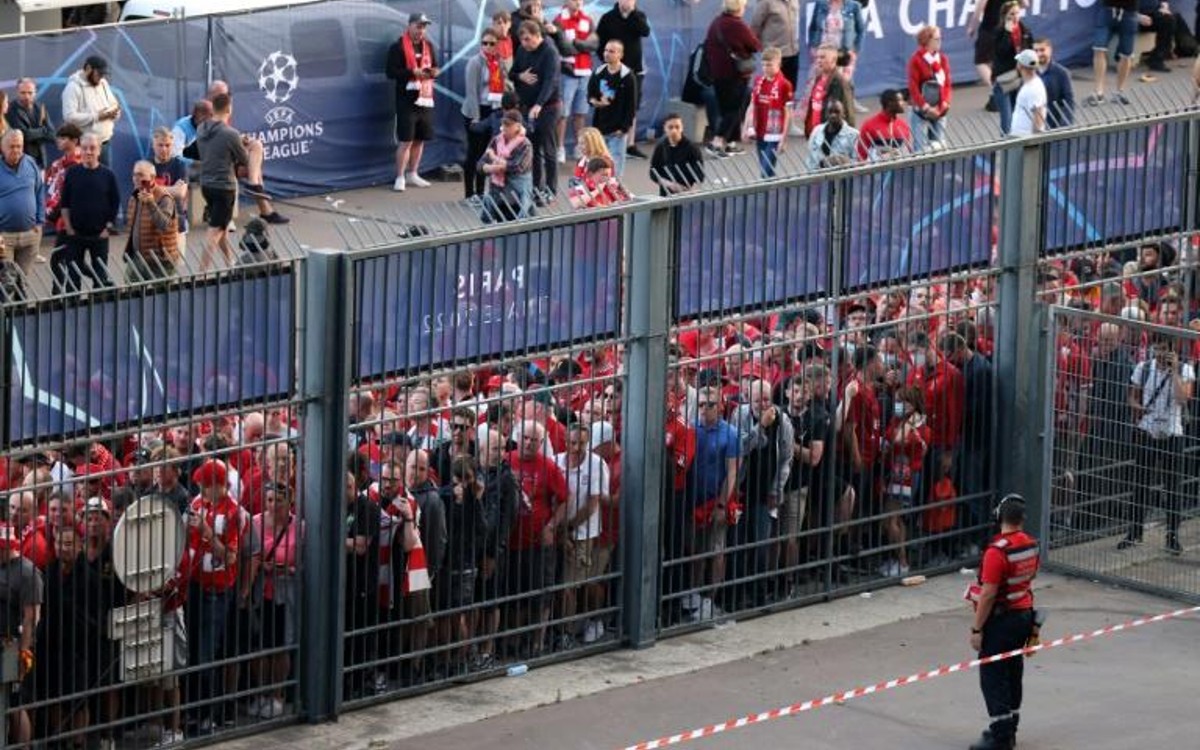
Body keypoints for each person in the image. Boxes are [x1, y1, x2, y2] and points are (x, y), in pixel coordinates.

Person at [966, 494, 1040, 750]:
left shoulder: (997, 552)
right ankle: (1010, 729)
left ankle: (1000, 738)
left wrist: (976, 628)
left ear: (999, 517)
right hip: (1024, 615)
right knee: (1013, 671)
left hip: (1001, 621)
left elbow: (987, 594)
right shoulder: (1031, 545)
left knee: (993, 676)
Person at [1121, 334, 1195, 555]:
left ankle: (1172, 536)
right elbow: (1132, 397)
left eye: (1165, 349)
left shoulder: (1185, 370)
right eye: (1158, 349)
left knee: (1172, 487)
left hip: (1173, 433)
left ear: (1173, 350)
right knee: (1140, 484)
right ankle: (1135, 532)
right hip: (1147, 431)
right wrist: (1138, 407)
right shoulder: (1143, 368)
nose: (1161, 354)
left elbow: (1184, 398)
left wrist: (1173, 373)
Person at [248, 482, 300, 719]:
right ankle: (261, 693)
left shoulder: (299, 527)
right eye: (268, 500)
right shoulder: (255, 523)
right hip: (260, 592)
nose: (272, 505)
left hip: (285, 593)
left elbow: (305, 562)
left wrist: (289, 569)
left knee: (280, 646)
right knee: (259, 646)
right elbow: (248, 555)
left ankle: (277, 694)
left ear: (289, 502)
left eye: (277, 500)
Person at [57, 132, 119, 292]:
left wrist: (108, 227)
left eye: (92, 148)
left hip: (99, 236)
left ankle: (100, 311)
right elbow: (65, 204)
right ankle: (72, 311)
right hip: (75, 236)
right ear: (80, 150)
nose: (88, 152)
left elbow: (115, 203)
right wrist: (69, 229)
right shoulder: (72, 173)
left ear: (99, 150)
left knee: (100, 281)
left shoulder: (108, 175)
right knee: (72, 282)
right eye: (84, 148)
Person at [193, 93, 248, 271]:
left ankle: (229, 263)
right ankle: (201, 273)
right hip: (224, 187)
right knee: (214, 231)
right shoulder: (231, 133)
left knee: (221, 226)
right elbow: (244, 159)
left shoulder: (201, 129)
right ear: (229, 109)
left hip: (206, 185)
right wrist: (244, 144)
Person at [510, 21, 563, 203]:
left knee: (549, 150)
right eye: (522, 40)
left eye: (527, 39)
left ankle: (551, 190)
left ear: (537, 34)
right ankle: (536, 189)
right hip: (527, 107)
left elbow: (551, 81)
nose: (524, 43)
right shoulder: (522, 50)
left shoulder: (550, 52)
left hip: (548, 108)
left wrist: (539, 104)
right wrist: (520, 76)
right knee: (533, 150)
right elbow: (512, 72)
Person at [386, 13, 440, 192]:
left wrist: (433, 72)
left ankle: (413, 173)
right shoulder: (398, 47)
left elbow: (436, 66)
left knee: (420, 139)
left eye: (424, 27)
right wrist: (412, 73)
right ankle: (400, 176)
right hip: (406, 100)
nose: (421, 30)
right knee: (406, 140)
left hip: (424, 98)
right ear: (409, 26)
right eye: (418, 26)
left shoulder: (429, 46)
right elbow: (391, 72)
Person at [0, 521, 42, 745]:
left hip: (12, 645)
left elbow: (31, 617)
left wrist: (23, 651)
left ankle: (23, 746)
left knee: (15, 703)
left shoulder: (28, 573)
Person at [702, 0, 761, 156]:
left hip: (717, 73)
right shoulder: (737, 25)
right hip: (734, 73)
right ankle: (717, 141)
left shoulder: (716, 22)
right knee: (733, 109)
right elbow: (755, 45)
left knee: (726, 108)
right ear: (738, 7)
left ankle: (730, 143)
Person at [595, 0, 651, 158]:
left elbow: (645, 31)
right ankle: (605, 144)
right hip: (612, 70)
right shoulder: (608, 17)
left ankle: (629, 145)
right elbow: (600, 43)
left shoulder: (639, 16)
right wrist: (607, 61)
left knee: (631, 107)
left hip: (634, 71)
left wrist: (632, 13)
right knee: (608, 104)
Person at [462, 29, 510, 199]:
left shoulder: (500, 62)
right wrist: (475, 117)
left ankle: (481, 192)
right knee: (474, 153)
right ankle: (469, 193)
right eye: (484, 43)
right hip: (477, 111)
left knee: (487, 153)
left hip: (494, 111)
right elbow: (471, 92)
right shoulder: (475, 62)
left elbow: (505, 85)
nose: (488, 46)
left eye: (492, 43)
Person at [555, 0, 599, 165]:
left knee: (580, 113)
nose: (578, 2)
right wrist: (582, 46)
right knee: (563, 113)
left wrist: (577, 44)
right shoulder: (559, 20)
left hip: (585, 72)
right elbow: (563, 47)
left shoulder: (588, 20)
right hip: (567, 73)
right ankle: (560, 148)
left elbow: (593, 45)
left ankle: (579, 148)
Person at [588, 39, 639, 177]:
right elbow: (590, 96)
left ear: (620, 55)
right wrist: (596, 102)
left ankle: (616, 193)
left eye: (611, 51)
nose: (607, 54)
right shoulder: (598, 72)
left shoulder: (628, 76)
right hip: (600, 128)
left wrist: (623, 128)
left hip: (617, 130)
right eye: (605, 50)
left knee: (615, 165)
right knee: (599, 164)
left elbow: (631, 106)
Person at [0, 129, 44, 287]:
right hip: (4, 237)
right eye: (12, 146)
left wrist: (40, 222)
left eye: (19, 146)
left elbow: (40, 192)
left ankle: (22, 310)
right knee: (7, 282)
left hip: (30, 235)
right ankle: (6, 311)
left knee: (22, 282)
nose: (16, 150)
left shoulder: (31, 163)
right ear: (2, 148)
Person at [805, 0, 867, 112]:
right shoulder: (820, 4)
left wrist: (855, 49)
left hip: (844, 50)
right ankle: (817, 105)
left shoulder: (854, 6)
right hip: (824, 49)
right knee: (820, 78)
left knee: (845, 79)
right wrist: (813, 46)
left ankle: (849, 102)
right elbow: (813, 27)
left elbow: (861, 30)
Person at [124, 159, 180, 281]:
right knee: (130, 296)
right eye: (134, 174)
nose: (136, 178)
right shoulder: (134, 197)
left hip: (160, 262)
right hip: (137, 259)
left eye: (140, 175)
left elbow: (164, 225)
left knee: (162, 298)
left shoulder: (164, 197)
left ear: (153, 177)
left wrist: (151, 203)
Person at [61, 55, 120, 166]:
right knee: (84, 179)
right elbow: (69, 117)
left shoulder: (103, 83)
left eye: (103, 75)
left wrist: (114, 113)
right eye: (99, 74)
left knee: (103, 180)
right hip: (84, 147)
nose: (101, 77)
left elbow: (114, 103)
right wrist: (97, 116)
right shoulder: (73, 88)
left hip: (104, 143)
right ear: (88, 69)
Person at [478, 109, 534, 223]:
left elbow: (517, 166)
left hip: (517, 198)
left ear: (518, 126)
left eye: (508, 125)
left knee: (520, 229)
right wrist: (487, 168)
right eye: (503, 123)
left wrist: (494, 160)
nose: (504, 127)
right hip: (498, 196)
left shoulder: (525, 144)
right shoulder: (496, 140)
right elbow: (480, 164)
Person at [747, 47, 793, 178]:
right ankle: (772, 194)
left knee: (766, 171)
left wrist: (784, 139)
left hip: (775, 133)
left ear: (778, 64)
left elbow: (788, 113)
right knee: (766, 169)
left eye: (769, 65)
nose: (765, 68)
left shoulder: (785, 84)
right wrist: (747, 126)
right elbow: (752, 105)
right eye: (763, 65)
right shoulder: (758, 81)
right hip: (760, 129)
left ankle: (767, 194)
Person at [991, 1, 1034, 135]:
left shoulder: (1025, 30)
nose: (1015, 17)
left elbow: (1030, 51)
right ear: (1004, 16)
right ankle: (1006, 149)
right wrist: (1006, 33)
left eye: (1017, 13)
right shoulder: (999, 31)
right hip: (1004, 79)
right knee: (1007, 120)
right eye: (1011, 14)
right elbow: (1000, 52)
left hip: (1019, 78)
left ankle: (1016, 148)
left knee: (1018, 117)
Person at [907, 25, 952, 151]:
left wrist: (945, 103)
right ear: (927, 41)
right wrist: (925, 107)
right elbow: (913, 87)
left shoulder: (942, 59)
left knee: (938, 147)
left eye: (940, 39)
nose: (940, 42)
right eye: (937, 39)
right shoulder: (916, 60)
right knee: (920, 150)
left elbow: (947, 84)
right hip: (920, 109)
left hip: (939, 108)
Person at [798, 45, 854, 139]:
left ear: (833, 60)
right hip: (815, 134)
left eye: (823, 57)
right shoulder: (819, 78)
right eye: (817, 57)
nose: (819, 60)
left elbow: (847, 111)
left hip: (830, 136)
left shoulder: (839, 83)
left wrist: (847, 138)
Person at [1088, 0, 1139, 105]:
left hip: (1129, 12)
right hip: (1107, 10)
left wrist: (1140, 15)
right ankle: (1099, 92)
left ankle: (1119, 92)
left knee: (1126, 54)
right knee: (1099, 48)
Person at [150, 126, 190, 246]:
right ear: (153, 145)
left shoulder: (179, 165)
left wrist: (154, 188)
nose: (164, 149)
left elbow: (180, 193)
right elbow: (144, 191)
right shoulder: (146, 165)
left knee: (176, 263)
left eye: (167, 145)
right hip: (152, 225)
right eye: (160, 145)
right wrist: (173, 189)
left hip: (176, 224)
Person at [649, 112, 705, 196]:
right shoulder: (661, 147)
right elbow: (653, 172)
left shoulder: (692, 148)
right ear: (665, 128)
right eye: (670, 127)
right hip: (666, 194)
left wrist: (691, 189)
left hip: (686, 193)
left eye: (677, 127)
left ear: (682, 128)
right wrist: (669, 184)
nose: (674, 130)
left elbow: (700, 175)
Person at [750, 0, 801, 89]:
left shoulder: (794, 1)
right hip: (774, 55)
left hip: (793, 52)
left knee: (790, 89)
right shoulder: (765, 2)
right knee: (773, 90)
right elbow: (755, 26)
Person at [6, 78, 54, 168]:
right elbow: (24, 135)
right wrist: (43, 130)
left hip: (40, 162)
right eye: (23, 93)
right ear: (17, 92)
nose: (27, 96)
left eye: (30, 93)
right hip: (19, 163)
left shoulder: (40, 108)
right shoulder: (11, 110)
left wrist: (36, 133)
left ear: (35, 92)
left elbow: (52, 134)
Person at [856, 89, 912, 161]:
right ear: (890, 103)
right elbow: (861, 154)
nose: (904, 103)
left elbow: (908, 152)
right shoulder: (869, 126)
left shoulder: (903, 126)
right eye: (900, 100)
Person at [1034, 38, 1076, 129]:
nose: (1039, 54)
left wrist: (1066, 124)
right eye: (1036, 50)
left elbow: (1069, 101)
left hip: (1053, 125)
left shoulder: (1062, 73)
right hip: (1033, 126)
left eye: (1042, 50)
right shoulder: (1030, 73)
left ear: (1050, 50)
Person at [805, 99, 859, 169]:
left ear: (844, 114)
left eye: (837, 112)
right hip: (819, 176)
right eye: (830, 112)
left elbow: (859, 162)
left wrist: (845, 162)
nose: (833, 115)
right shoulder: (816, 131)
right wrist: (822, 163)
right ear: (826, 114)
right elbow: (810, 159)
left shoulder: (854, 135)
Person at [1010, 49, 1047, 136]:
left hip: (1025, 141)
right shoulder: (1032, 85)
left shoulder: (1033, 88)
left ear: (1020, 65)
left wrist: (1034, 141)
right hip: (1021, 138)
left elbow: (1038, 115)